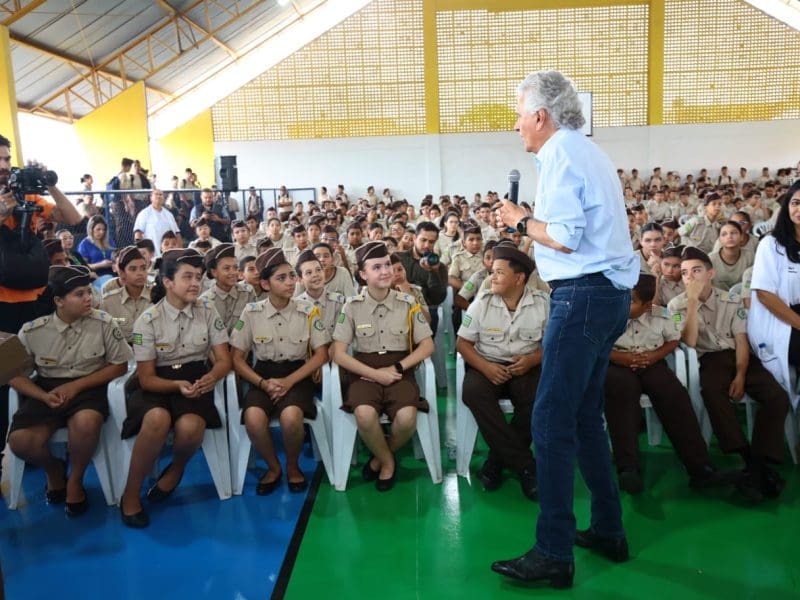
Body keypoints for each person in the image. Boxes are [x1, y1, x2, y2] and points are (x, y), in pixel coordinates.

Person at [492, 70, 638, 588]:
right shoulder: (588, 150)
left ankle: (553, 550)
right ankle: (607, 529)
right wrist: (533, 221)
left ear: (540, 115)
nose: (515, 125)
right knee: (582, 417)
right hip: (608, 296)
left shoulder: (558, 155)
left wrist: (517, 221)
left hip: (583, 297)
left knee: (550, 421)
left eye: (518, 113)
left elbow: (567, 239)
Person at [119, 248, 231, 528]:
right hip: (158, 382)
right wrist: (176, 385)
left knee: (192, 426)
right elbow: (146, 378)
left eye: (199, 277)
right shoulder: (148, 320)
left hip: (195, 378)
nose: (196, 283)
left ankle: (176, 469)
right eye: (187, 277)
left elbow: (223, 360)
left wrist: (212, 377)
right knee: (157, 419)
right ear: (168, 282)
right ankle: (131, 493)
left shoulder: (207, 311)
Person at [8, 265, 131, 516]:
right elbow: (13, 375)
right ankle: (54, 471)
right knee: (20, 442)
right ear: (58, 301)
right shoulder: (33, 331)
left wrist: (75, 386)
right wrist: (42, 395)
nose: (88, 298)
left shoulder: (103, 323)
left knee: (86, 422)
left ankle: (75, 480)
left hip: (88, 386)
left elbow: (119, 366)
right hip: (47, 389)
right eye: (79, 294)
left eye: (88, 292)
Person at [668, 247, 789, 502]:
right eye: (685, 273)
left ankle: (757, 463)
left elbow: (742, 340)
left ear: (710, 273)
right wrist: (691, 302)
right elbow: (689, 342)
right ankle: (747, 456)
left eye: (696, 271)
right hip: (709, 358)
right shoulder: (676, 304)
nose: (690, 277)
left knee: (776, 395)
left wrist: (741, 375)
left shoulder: (731, 300)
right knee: (712, 391)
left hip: (741, 357)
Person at [605, 273, 735, 494]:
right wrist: (621, 358)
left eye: (632, 301)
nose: (625, 304)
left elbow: (673, 340)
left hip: (652, 362)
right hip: (618, 364)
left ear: (647, 305)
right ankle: (628, 468)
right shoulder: (608, 314)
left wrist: (656, 356)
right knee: (621, 397)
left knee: (675, 395)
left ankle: (699, 467)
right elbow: (596, 345)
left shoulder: (663, 315)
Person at [1, 134, 83, 462]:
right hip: (3, 306)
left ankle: (41, 431)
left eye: (7, 159)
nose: (5, 166)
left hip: (37, 300)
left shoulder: (28, 196)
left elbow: (73, 219)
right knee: (6, 377)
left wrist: (49, 184)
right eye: (1, 160)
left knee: (44, 368)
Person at [330, 241, 435, 491]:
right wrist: (375, 374)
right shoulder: (352, 306)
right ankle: (387, 462)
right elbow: (339, 353)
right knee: (364, 415)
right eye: (376, 267)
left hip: (400, 369)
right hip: (365, 372)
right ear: (363, 275)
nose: (386, 271)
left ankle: (378, 459)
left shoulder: (408, 303)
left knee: (407, 418)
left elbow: (427, 346)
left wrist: (398, 368)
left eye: (387, 265)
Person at [230, 248, 330, 494]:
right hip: (263, 373)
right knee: (253, 418)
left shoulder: (308, 310)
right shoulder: (251, 313)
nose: (290, 282)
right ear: (265, 284)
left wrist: (289, 381)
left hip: (298, 373)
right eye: (281, 278)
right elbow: (237, 359)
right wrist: (263, 384)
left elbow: (321, 354)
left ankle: (293, 466)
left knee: (291, 417)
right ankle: (273, 467)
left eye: (291, 276)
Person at [456, 245, 546, 500]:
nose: (491, 277)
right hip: (487, 364)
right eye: (492, 272)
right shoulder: (481, 303)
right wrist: (485, 366)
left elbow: (555, 345)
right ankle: (526, 466)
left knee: (538, 397)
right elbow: (462, 343)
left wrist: (531, 360)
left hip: (525, 367)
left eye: (498, 273)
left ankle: (497, 460)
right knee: (472, 392)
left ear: (519, 279)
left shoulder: (542, 304)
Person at [747, 180, 800, 413]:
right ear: (787, 206)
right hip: (780, 319)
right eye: (796, 203)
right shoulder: (771, 244)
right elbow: (765, 295)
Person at [396, 221, 449, 336]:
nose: (426, 245)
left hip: (426, 312)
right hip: (397, 311)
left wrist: (433, 272)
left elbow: (437, 299)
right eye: (423, 240)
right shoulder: (398, 259)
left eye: (431, 242)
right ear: (414, 238)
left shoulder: (440, 267)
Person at [99, 246, 153, 343]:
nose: (140, 273)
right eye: (133, 269)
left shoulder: (157, 297)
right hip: (124, 353)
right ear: (122, 273)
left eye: (143, 268)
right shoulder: (109, 302)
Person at [200, 243, 256, 333]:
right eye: (226, 268)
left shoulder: (247, 292)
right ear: (214, 272)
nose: (233, 272)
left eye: (235, 268)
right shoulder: (205, 301)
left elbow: (252, 322)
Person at [294, 250, 347, 334]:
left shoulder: (338, 302)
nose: (315, 275)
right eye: (309, 273)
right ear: (300, 280)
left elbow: (342, 332)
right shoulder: (296, 306)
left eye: (318, 270)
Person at [133, 189, 181, 256]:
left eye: (160, 195)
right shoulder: (144, 213)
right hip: (152, 255)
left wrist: (180, 251)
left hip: (169, 254)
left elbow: (177, 233)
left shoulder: (169, 215)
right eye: (156, 194)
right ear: (151, 197)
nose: (158, 196)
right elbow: (138, 233)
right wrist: (140, 253)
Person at [709, 221, 754, 291]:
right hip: (718, 299)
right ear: (719, 239)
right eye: (724, 234)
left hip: (743, 297)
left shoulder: (750, 256)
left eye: (734, 233)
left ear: (741, 236)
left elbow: (751, 280)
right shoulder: (711, 259)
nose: (729, 236)